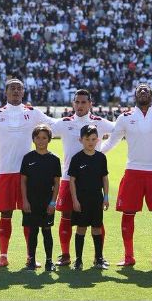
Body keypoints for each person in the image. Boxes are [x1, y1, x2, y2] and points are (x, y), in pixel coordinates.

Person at [100, 83, 152, 267]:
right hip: (133, 172)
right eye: (140, 90)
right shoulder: (125, 117)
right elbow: (112, 141)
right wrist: (94, 154)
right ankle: (129, 256)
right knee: (128, 214)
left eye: (147, 90)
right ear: (135, 95)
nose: (143, 91)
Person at [0, 78, 55, 268]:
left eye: (19, 88)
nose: (16, 91)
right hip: (5, 172)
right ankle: (3, 255)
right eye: (12, 88)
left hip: (29, 174)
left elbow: (55, 125)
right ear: (6, 92)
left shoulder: (33, 113)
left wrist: (76, 120)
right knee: (6, 215)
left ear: (23, 92)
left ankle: (30, 256)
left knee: (30, 216)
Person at [50, 88, 114, 267]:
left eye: (83, 102)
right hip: (68, 178)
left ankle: (98, 257)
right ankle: (65, 255)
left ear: (90, 104)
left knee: (96, 219)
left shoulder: (99, 122)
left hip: (92, 181)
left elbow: (120, 131)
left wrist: (104, 149)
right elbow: (44, 133)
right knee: (66, 216)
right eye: (77, 102)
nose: (80, 105)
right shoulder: (64, 123)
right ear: (73, 103)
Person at [68, 125, 109, 270]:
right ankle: (78, 260)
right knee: (81, 229)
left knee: (97, 229)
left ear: (97, 140)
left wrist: (106, 197)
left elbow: (104, 179)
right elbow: (72, 181)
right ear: (81, 140)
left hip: (97, 199)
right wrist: (75, 200)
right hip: (81, 200)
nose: (90, 142)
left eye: (93, 139)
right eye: (87, 139)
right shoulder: (77, 158)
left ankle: (98, 259)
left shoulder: (101, 157)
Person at [20, 125, 61, 272]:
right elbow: (23, 181)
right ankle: (31, 260)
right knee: (33, 230)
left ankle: (49, 261)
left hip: (47, 202)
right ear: (33, 139)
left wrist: (53, 202)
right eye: (38, 137)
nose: (41, 141)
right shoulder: (28, 158)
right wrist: (24, 200)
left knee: (47, 230)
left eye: (44, 138)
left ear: (49, 139)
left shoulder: (54, 159)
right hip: (31, 201)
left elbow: (57, 183)